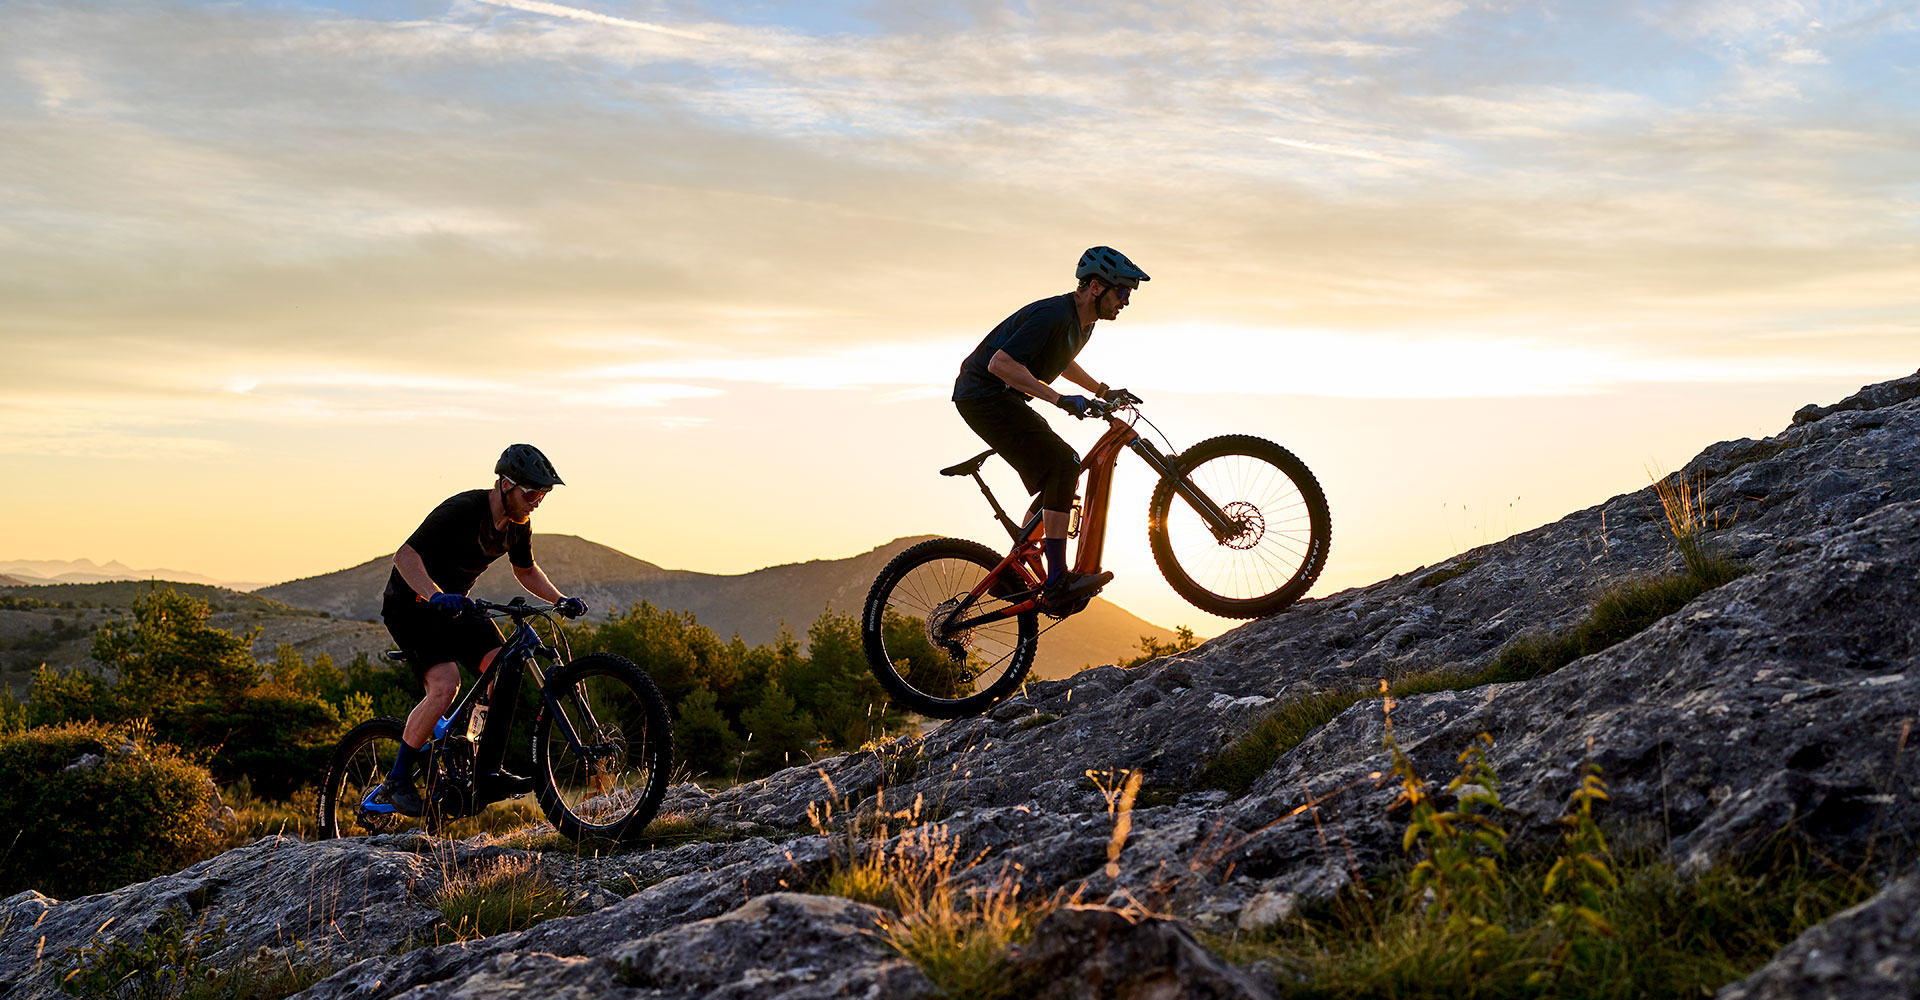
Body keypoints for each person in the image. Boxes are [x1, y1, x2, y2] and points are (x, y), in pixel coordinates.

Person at [369, 444, 589, 816]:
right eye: (532, 492)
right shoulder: (463, 510)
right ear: (505, 485)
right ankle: (398, 778)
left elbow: (525, 570)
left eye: (544, 494)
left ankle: (485, 766)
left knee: (501, 672)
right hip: (412, 604)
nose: (538, 501)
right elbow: (405, 556)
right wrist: (436, 595)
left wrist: (559, 599)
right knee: (445, 685)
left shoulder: (518, 526)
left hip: (454, 605)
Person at [951, 245, 1149, 613]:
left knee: (1059, 475)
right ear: (1095, 287)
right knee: (1064, 463)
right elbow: (1000, 364)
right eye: (1121, 292)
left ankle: (1023, 562)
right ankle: (1058, 579)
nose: (1125, 301)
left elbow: (1061, 359)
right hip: (983, 396)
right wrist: (1059, 399)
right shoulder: (1053, 314)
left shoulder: (1082, 324)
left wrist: (1101, 391)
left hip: (1002, 398)